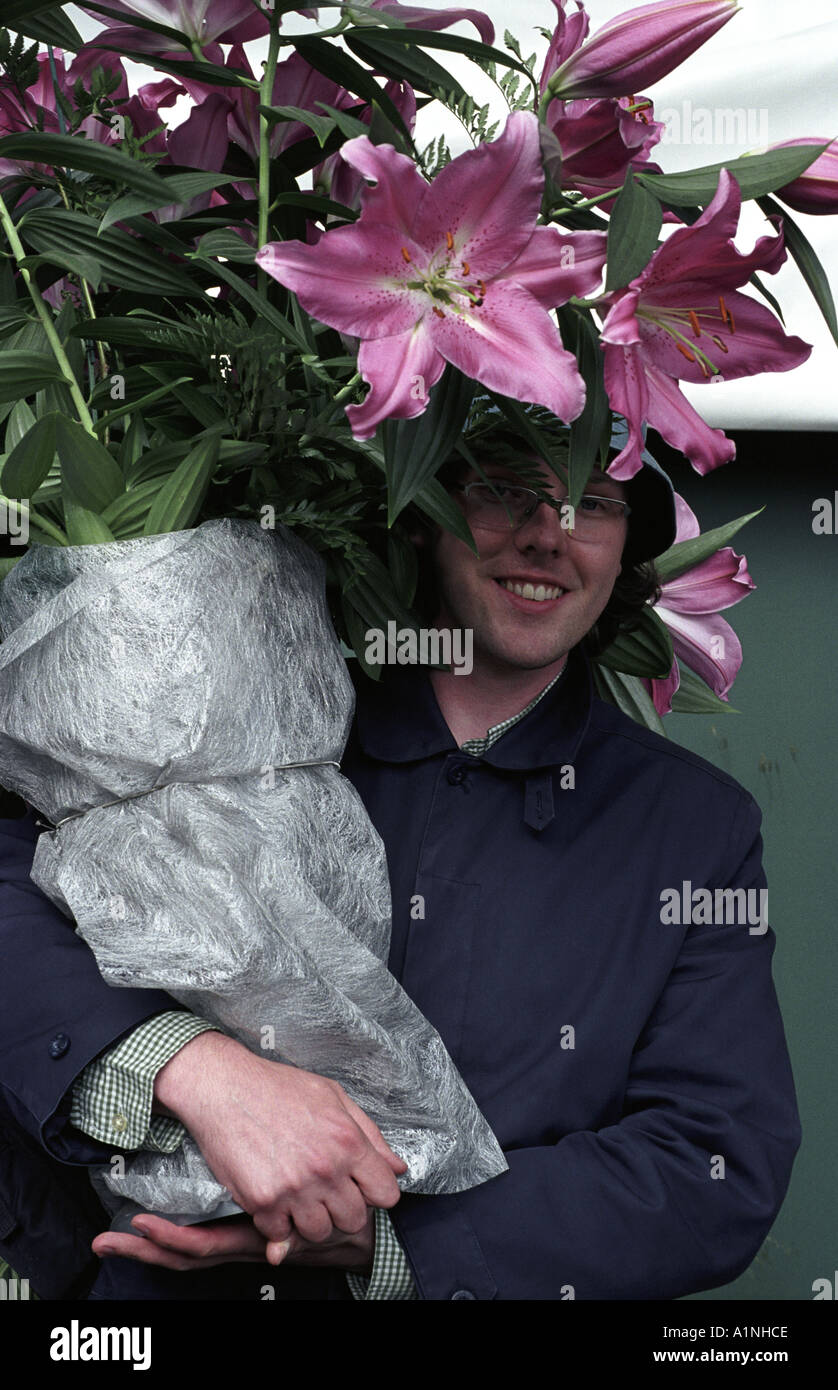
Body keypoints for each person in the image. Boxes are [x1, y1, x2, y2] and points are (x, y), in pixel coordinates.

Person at [0, 426, 801, 1301]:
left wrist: (383, 1240)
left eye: (594, 503)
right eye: (504, 489)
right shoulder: (233, 720)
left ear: (623, 554)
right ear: (423, 511)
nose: (547, 533)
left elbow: (712, 1164)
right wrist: (192, 1068)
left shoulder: (692, 830)